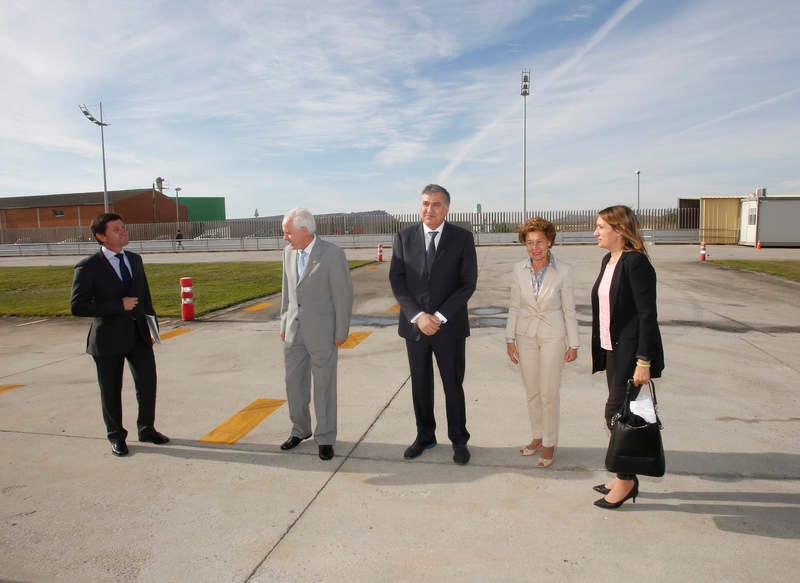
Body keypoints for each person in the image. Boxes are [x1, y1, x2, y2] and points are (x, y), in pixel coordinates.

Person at [389, 184, 478, 465]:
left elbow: (467, 284)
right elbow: (397, 280)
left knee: (453, 384)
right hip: (415, 327)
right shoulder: (404, 237)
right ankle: (425, 436)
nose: (430, 209)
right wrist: (418, 316)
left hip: (449, 327)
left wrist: (439, 317)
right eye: (425, 203)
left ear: (447, 208)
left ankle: (459, 439)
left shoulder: (462, 238)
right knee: (420, 385)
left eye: (436, 204)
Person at [70, 213, 169, 457]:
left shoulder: (135, 260)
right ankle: (116, 436)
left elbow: (145, 297)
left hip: (138, 335)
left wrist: (153, 327)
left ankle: (147, 429)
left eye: (123, 228)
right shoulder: (88, 266)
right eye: (116, 230)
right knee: (111, 390)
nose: (123, 232)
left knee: (147, 384)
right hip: (108, 340)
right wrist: (118, 305)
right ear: (101, 237)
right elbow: (77, 306)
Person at [590, 205, 664, 509]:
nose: (595, 232)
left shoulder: (636, 264)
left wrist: (644, 360)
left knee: (615, 414)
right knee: (622, 412)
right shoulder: (609, 260)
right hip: (612, 350)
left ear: (619, 231)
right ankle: (624, 473)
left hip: (632, 353)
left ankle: (626, 480)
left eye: (600, 227)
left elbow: (647, 315)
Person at [279, 208, 353, 461]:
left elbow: (343, 296)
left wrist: (341, 331)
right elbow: (287, 292)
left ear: (304, 230)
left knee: (323, 386)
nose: (285, 238)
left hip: (323, 333)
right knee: (293, 385)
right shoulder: (288, 253)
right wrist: (283, 323)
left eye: (288, 233)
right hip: (293, 331)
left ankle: (325, 437)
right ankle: (300, 429)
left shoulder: (332, 255)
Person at [505, 217, 579, 468]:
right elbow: (514, 305)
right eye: (529, 243)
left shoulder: (564, 271)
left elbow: (569, 310)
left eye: (539, 242)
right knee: (532, 392)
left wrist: (574, 343)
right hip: (525, 335)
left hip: (552, 336)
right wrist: (510, 338)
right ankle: (537, 435)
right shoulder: (518, 269)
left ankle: (549, 442)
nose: (534, 247)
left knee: (549, 392)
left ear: (549, 242)